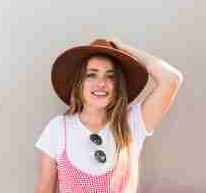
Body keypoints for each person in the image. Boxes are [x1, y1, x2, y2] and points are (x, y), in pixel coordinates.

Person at [35, 37, 184, 193]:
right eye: (92, 75)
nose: (101, 83)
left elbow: (172, 79)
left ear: (118, 85)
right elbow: (45, 189)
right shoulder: (58, 128)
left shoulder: (132, 123)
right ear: (79, 83)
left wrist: (124, 49)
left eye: (110, 76)